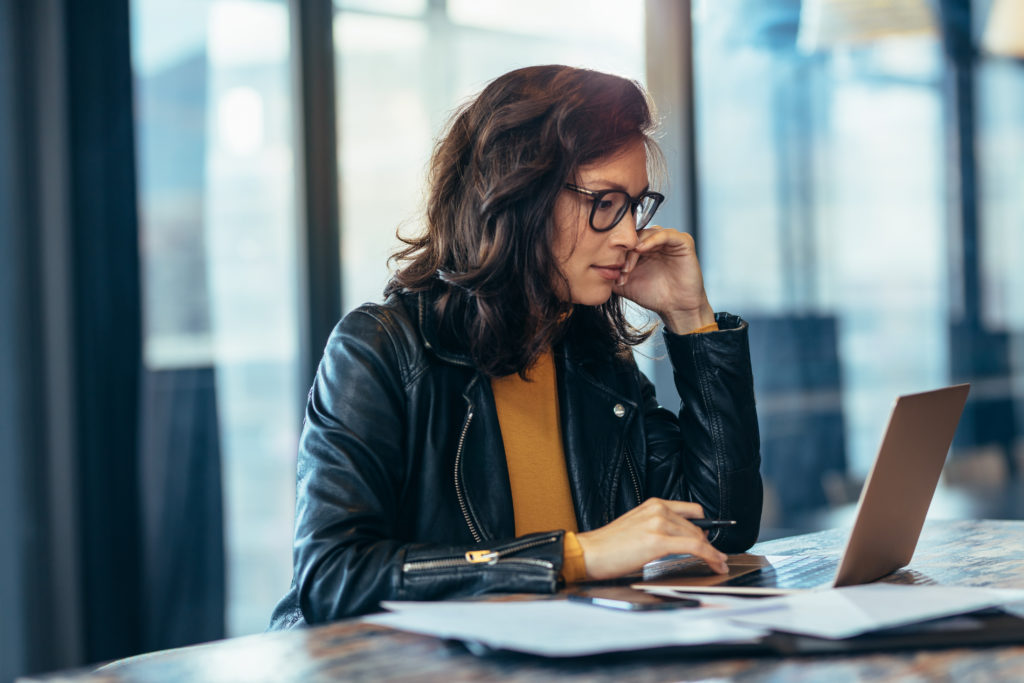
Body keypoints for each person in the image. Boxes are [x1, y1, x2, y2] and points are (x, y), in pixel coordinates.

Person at [269, 64, 762, 629]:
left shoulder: (595, 358)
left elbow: (721, 523)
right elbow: (334, 577)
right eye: (604, 202)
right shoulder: (379, 349)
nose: (628, 236)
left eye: (633, 206)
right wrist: (575, 555)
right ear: (519, 195)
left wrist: (690, 318)